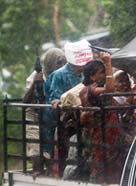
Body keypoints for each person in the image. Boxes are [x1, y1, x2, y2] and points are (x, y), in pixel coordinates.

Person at [43, 39, 93, 175]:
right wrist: (59, 104)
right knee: (66, 153)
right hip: (64, 122)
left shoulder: (85, 74)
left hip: (82, 119)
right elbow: (54, 98)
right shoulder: (59, 75)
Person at [79, 53, 122, 183]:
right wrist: (108, 64)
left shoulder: (84, 91)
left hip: (103, 137)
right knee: (106, 171)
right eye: (101, 73)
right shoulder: (91, 90)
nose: (104, 75)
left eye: (105, 72)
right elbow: (110, 89)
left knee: (104, 167)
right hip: (104, 137)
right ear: (92, 76)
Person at [23, 48, 66, 176]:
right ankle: (38, 171)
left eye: (64, 62)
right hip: (34, 116)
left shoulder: (61, 76)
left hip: (51, 116)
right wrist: (35, 84)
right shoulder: (35, 76)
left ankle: (51, 173)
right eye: (58, 62)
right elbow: (25, 102)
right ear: (49, 62)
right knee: (35, 151)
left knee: (51, 151)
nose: (62, 66)